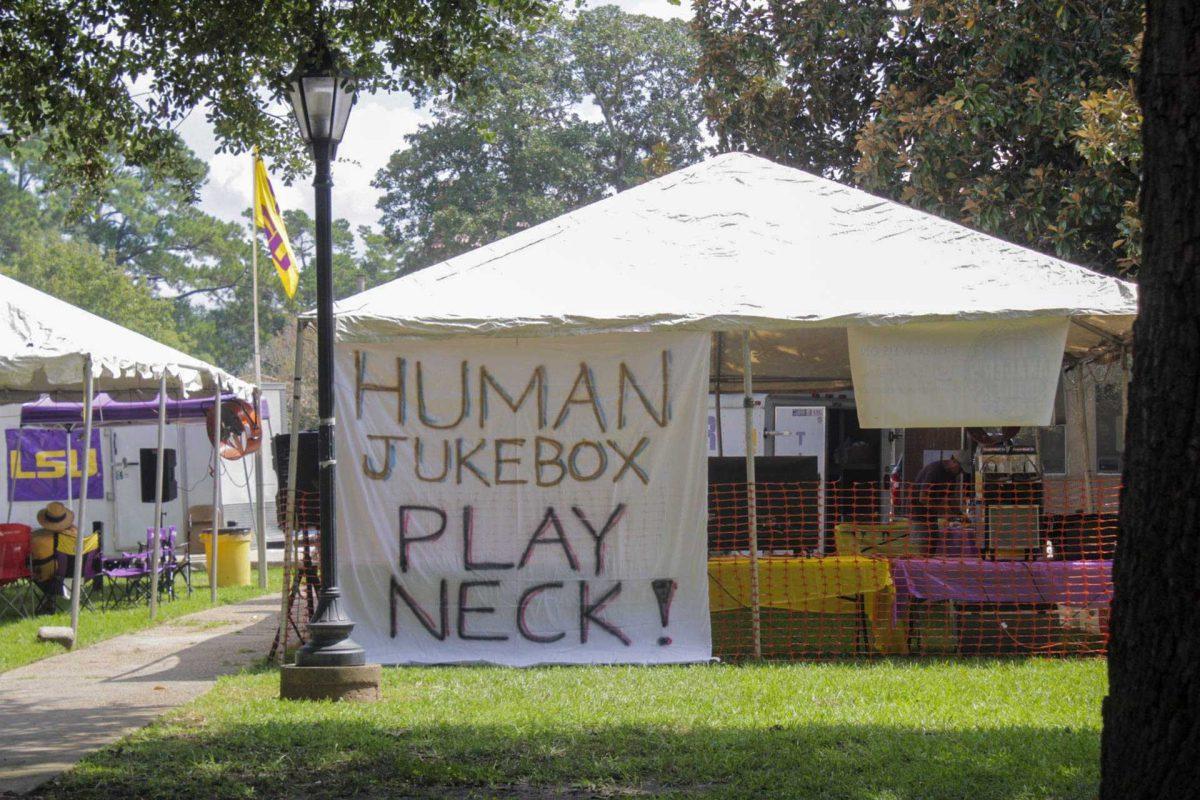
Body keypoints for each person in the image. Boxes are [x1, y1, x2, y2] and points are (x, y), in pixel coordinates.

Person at [911, 455, 966, 556]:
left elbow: (950, 499)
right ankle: (920, 566)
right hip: (919, 513)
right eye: (960, 469)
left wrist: (960, 514)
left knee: (933, 541)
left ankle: (929, 565)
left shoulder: (951, 476)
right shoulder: (934, 471)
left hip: (932, 514)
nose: (960, 473)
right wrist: (944, 513)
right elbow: (923, 499)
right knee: (924, 542)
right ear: (953, 461)